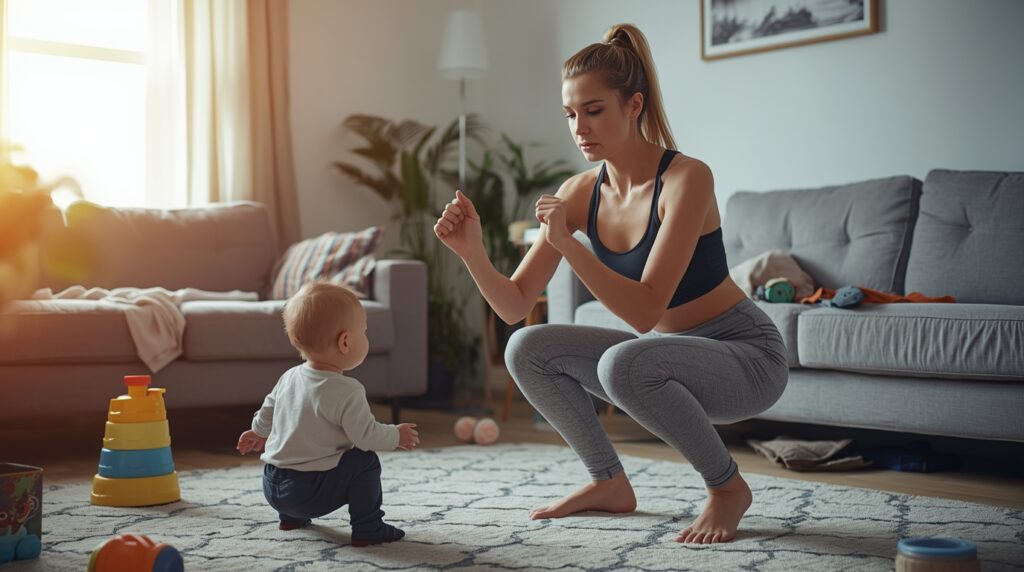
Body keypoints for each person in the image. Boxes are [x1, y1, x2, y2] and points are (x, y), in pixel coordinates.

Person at [433, 23, 788, 544]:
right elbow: (513, 305)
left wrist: (569, 243)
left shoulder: (687, 179)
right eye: (571, 114)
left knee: (624, 362)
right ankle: (608, 482)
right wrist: (472, 253)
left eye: (594, 110)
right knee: (526, 346)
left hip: (745, 357)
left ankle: (727, 488)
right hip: (671, 354)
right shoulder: (579, 192)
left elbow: (645, 312)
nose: (580, 128)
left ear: (634, 105)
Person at [236, 281, 419, 546]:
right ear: (345, 342)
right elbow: (366, 436)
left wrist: (257, 432)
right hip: (306, 494)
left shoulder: (289, 377)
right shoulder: (347, 390)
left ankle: (290, 518)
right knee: (364, 461)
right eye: (364, 332)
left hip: (272, 486)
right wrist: (395, 435)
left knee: (299, 454)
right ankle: (369, 527)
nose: (366, 338)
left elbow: (266, 413)